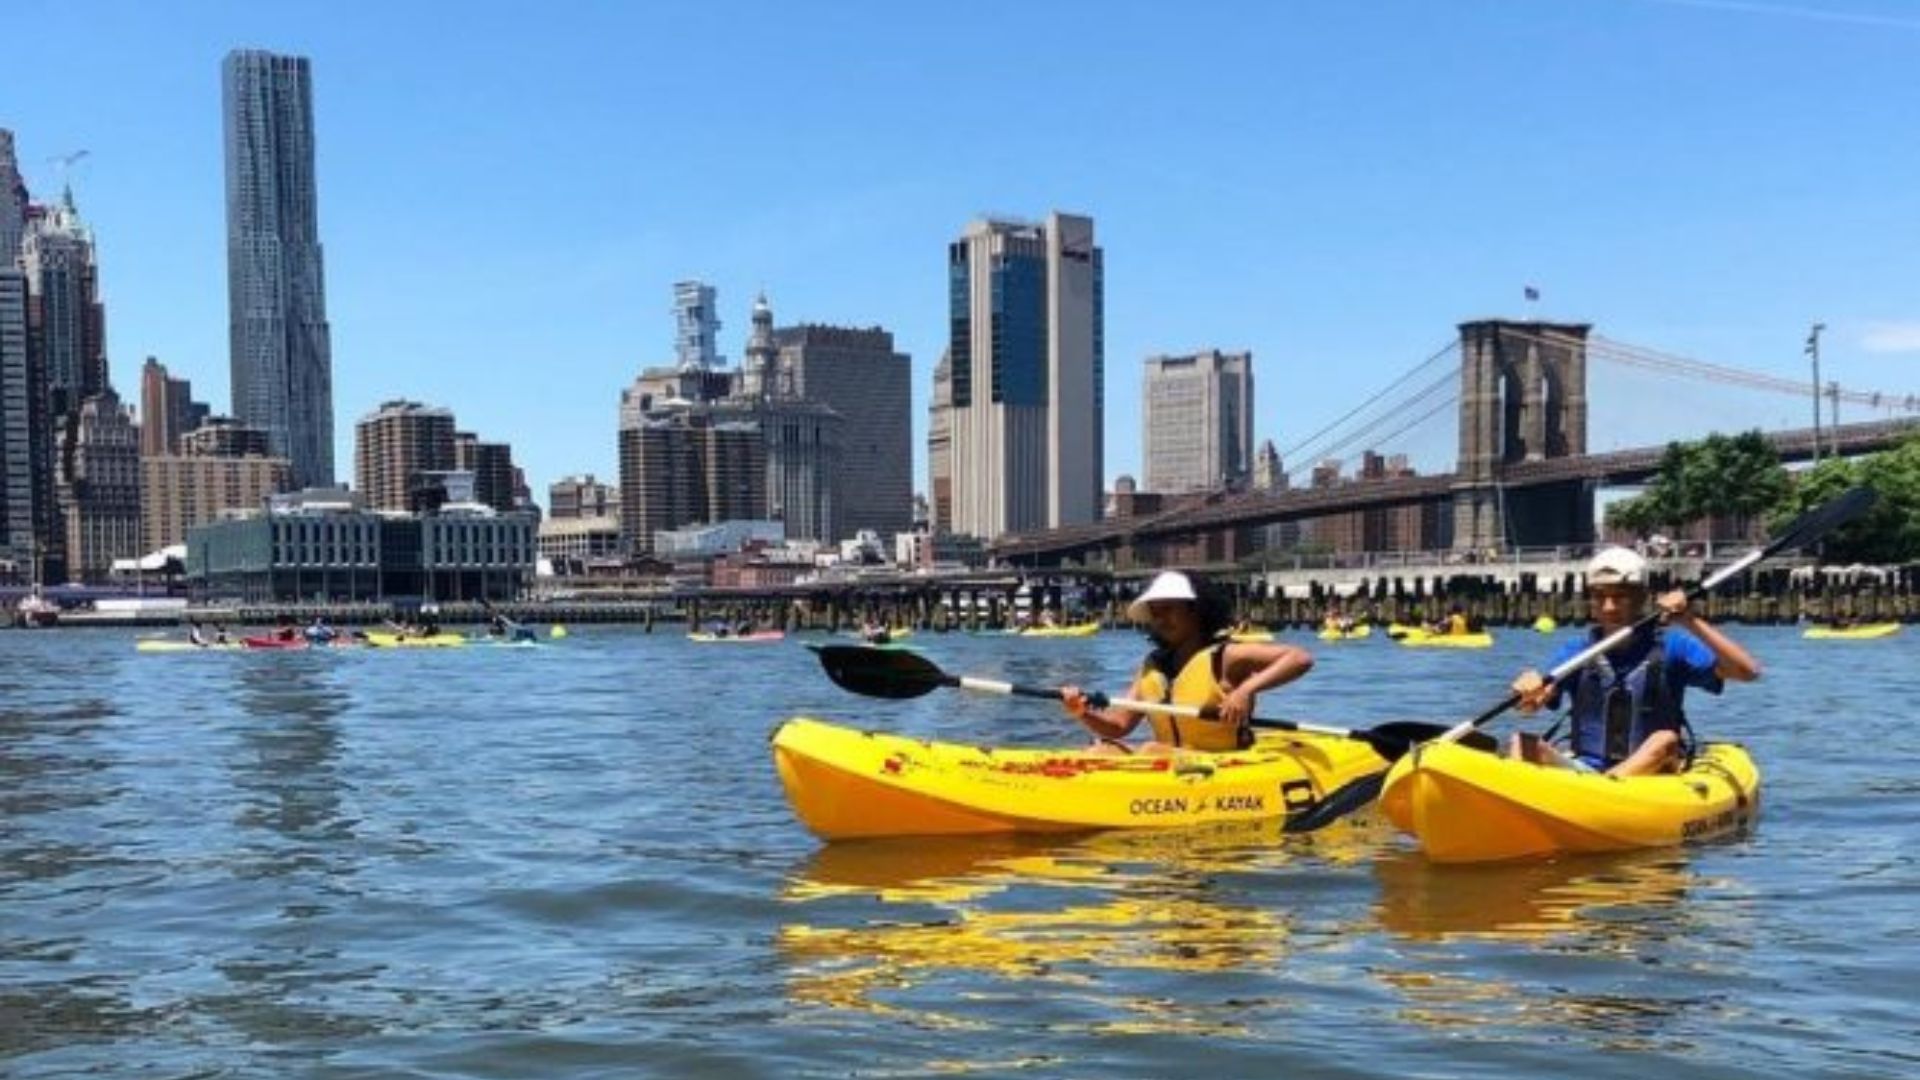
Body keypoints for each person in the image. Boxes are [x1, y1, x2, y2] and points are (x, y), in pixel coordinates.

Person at [1510, 547, 1761, 778]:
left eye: (1620, 597)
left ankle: (1609, 790)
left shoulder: (1673, 646)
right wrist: (1527, 693)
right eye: (1599, 597)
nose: (1608, 607)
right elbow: (1533, 704)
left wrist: (1689, 620)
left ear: (1641, 597)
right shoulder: (1578, 651)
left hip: (1652, 775)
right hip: (1585, 773)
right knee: (1521, 743)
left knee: (1665, 739)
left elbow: (1747, 672)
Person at [1059, 570, 1315, 754]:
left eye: (1169, 609)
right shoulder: (1152, 665)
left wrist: (1245, 690)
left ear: (1195, 610)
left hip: (1219, 767)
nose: (1160, 620)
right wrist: (1082, 712)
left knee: (1151, 751)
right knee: (1100, 751)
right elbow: (1119, 726)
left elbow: (1299, 658)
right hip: (1170, 762)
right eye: (1155, 613)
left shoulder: (1225, 657)